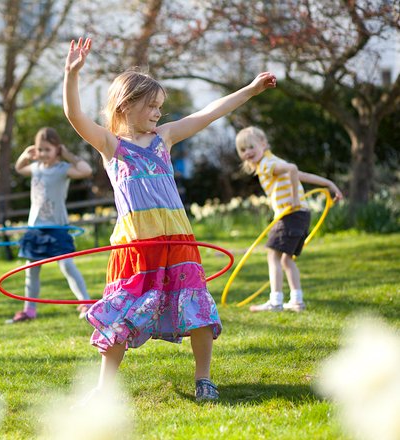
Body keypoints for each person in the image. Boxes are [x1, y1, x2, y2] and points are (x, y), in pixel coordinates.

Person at [63, 37, 276, 401]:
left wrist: (251, 90)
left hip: (178, 241)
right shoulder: (112, 146)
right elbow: (75, 116)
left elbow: (209, 113)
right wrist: (72, 76)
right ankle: (104, 387)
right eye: (152, 106)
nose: (159, 113)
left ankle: (204, 379)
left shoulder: (165, 138)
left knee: (197, 306)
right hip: (136, 247)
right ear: (126, 105)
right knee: (121, 314)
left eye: (161, 107)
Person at [235, 126, 343, 313]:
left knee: (272, 255)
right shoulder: (272, 163)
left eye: (251, 147)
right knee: (286, 259)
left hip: (291, 214)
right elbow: (301, 174)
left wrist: (293, 198)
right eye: (243, 150)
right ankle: (296, 301)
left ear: (263, 144)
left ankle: (275, 302)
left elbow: (293, 169)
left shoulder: (268, 164)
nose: (247, 152)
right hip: (301, 214)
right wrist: (329, 183)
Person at [8, 127, 93, 323]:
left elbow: (86, 170)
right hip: (35, 227)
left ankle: (86, 304)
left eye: (47, 149)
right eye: (40, 149)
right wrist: (25, 155)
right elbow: (19, 168)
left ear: (57, 149)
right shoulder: (36, 167)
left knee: (67, 266)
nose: (43, 153)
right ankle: (29, 310)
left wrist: (68, 155)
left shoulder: (63, 169)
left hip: (57, 228)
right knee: (31, 271)